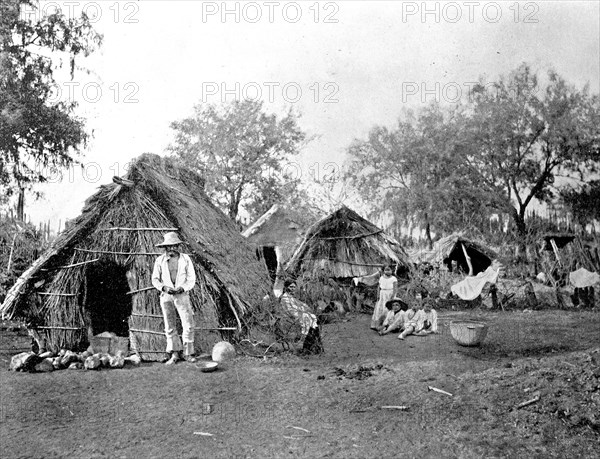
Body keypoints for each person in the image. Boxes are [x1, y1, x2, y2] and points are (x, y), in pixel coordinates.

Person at [152, 232, 197, 365]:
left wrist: (182, 288)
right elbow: (155, 279)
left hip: (181, 295)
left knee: (188, 324)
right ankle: (175, 353)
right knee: (170, 325)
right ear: (165, 247)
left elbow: (191, 278)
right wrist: (164, 288)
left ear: (178, 246)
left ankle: (188, 353)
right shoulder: (159, 261)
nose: (172, 249)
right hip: (166, 296)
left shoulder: (185, 259)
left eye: (174, 246)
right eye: (169, 247)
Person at [279, 279, 323, 354]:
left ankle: (313, 346)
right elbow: (291, 311)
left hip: (297, 315)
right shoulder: (285, 298)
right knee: (308, 318)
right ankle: (309, 346)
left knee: (312, 319)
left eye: (294, 287)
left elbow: (302, 305)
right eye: (291, 287)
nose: (293, 289)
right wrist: (302, 310)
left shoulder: (291, 298)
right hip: (289, 318)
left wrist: (303, 308)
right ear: (286, 287)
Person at [370, 264, 398, 330]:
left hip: (390, 294)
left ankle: (387, 325)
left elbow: (395, 288)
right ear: (383, 271)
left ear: (392, 270)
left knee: (388, 308)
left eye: (389, 270)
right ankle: (377, 324)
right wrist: (378, 295)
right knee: (380, 308)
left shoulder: (394, 278)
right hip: (382, 294)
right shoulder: (381, 278)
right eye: (386, 270)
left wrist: (393, 296)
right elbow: (378, 287)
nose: (387, 271)